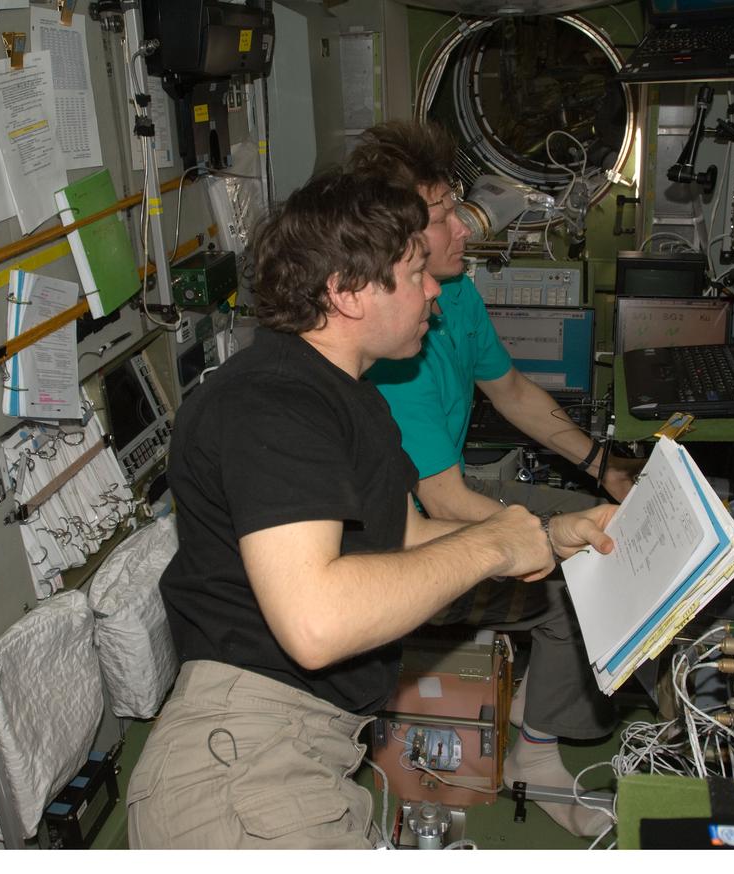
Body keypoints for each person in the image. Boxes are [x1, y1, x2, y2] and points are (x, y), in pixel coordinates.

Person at [126, 171, 618, 849]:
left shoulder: (350, 398)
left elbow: (407, 536)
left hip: (307, 748)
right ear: (346, 291)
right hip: (243, 761)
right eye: (415, 273)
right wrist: (493, 544)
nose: (433, 291)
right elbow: (316, 622)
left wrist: (549, 535)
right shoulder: (272, 404)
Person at [350, 120, 636, 837]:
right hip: (413, 540)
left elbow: (510, 391)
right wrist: (548, 539)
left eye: (456, 207)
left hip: (454, 493)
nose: (464, 228)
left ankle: (543, 716)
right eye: (443, 216)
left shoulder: (454, 294)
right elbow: (443, 502)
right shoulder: (392, 351)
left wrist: (604, 469)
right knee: (576, 585)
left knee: (614, 527)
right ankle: (534, 756)